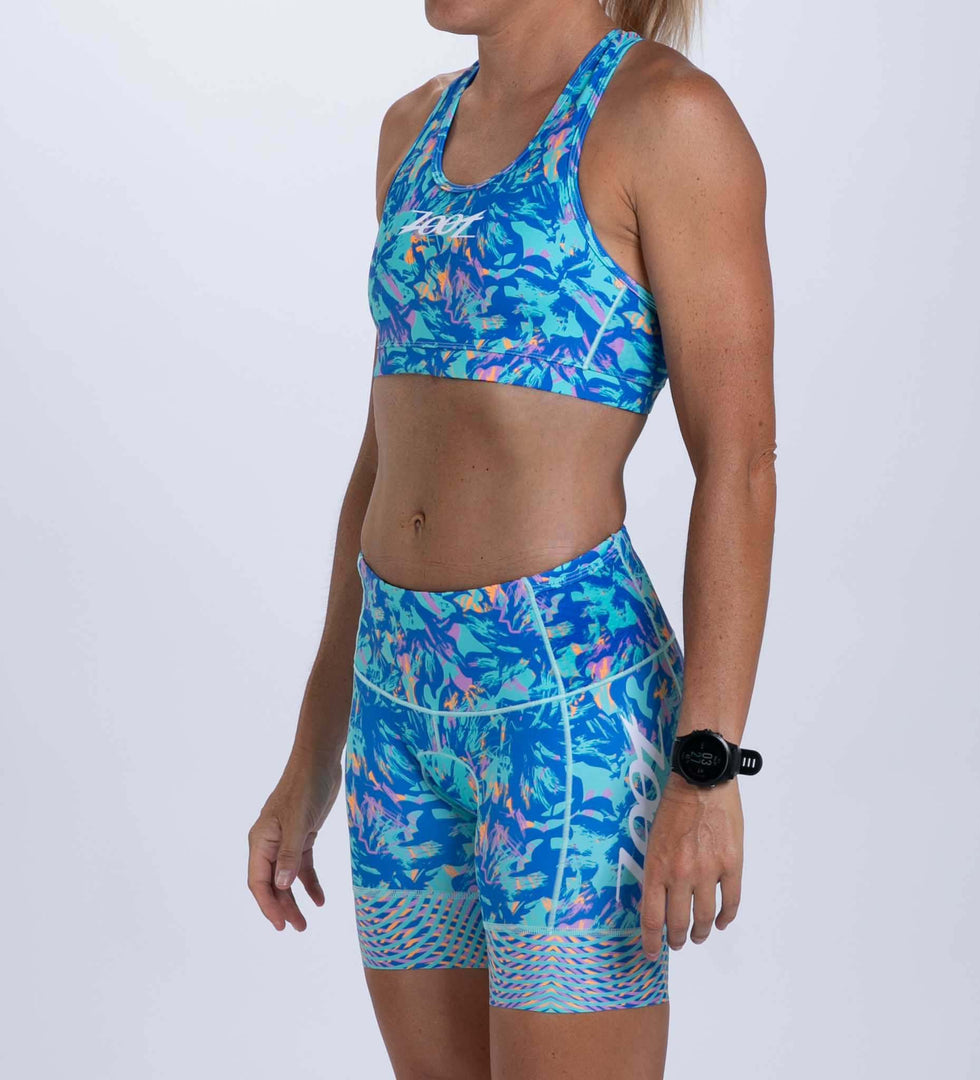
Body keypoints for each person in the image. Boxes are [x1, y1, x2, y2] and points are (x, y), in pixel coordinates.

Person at [247, 1, 775, 1075]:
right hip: (395, 706)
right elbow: (384, 459)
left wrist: (707, 768)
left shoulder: (666, 118)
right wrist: (313, 755)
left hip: (565, 712)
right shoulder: (411, 131)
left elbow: (740, 466)